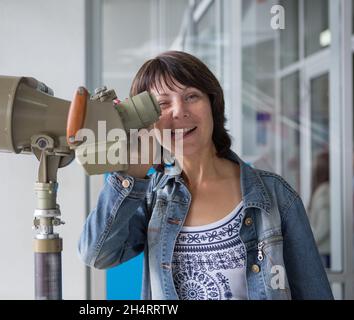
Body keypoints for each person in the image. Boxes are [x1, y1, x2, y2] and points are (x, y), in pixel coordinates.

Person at [78, 51, 333, 300]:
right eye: (162, 104)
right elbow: (96, 254)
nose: (179, 111)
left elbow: (314, 292)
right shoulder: (151, 197)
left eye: (191, 96)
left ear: (212, 104)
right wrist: (131, 175)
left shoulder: (274, 194)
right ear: (147, 122)